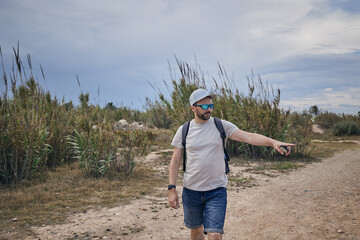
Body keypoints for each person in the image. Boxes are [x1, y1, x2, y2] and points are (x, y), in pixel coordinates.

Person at [168, 88, 295, 240]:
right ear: (193, 107)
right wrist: (172, 189)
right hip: (191, 191)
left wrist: (273, 142)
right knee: (196, 231)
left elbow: (248, 136)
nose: (209, 109)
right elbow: (175, 161)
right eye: (204, 106)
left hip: (216, 190)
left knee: (215, 235)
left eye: (211, 105)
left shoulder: (221, 125)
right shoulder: (184, 130)